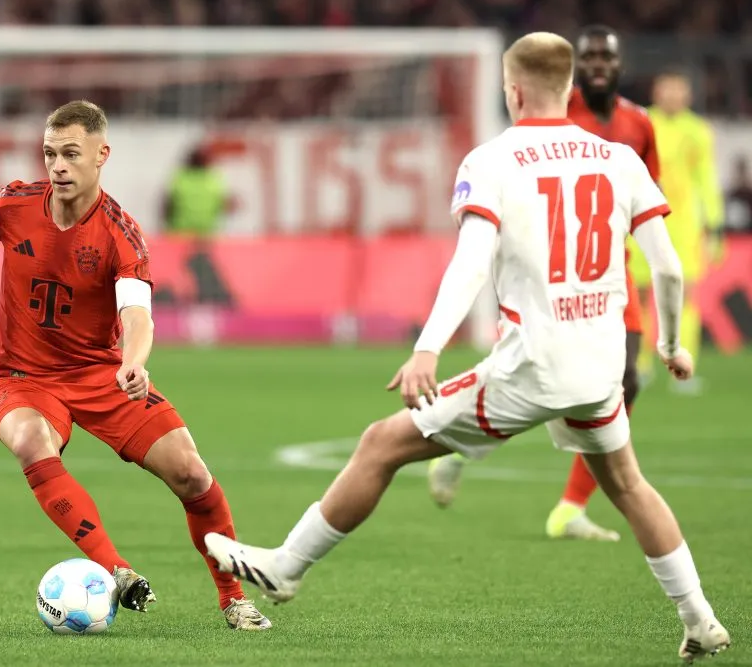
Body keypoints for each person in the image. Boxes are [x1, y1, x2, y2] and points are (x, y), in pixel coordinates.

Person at [204, 32, 730, 663]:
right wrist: (671, 342)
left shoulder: (493, 160)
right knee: (627, 484)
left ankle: (288, 567)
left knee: (380, 443)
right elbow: (668, 268)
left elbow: (471, 264)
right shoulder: (618, 157)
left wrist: (427, 348)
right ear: (567, 88)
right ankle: (699, 618)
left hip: (530, 366)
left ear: (511, 90)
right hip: (600, 364)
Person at [0, 100, 271, 631]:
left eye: (71, 154)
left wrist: (134, 363)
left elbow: (137, 315)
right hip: (23, 377)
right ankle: (114, 569)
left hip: (101, 374)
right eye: (50, 153)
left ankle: (234, 598)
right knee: (31, 442)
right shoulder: (18, 203)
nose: (58, 166)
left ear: (102, 156)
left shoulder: (121, 233)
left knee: (191, 473)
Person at [427, 25, 657, 543]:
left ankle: (569, 508)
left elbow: (648, 196)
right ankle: (458, 445)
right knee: (535, 377)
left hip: (608, 273)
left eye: (607, 55)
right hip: (545, 277)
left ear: (619, 65)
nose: (599, 63)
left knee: (628, 381)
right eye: (590, 54)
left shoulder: (638, 125)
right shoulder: (552, 112)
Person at [633, 70, 724, 394]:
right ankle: (639, 365)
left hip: (685, 228)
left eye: (678, 90)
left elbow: (706, 180)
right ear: (656, 92)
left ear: (688, 95)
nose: (672, 95)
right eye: (667, 89)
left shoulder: (698, 131)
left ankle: (683, 366)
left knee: (687, 295)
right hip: (643, 222)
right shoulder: (641, 123)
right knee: (640, 294)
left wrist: (714, 225)